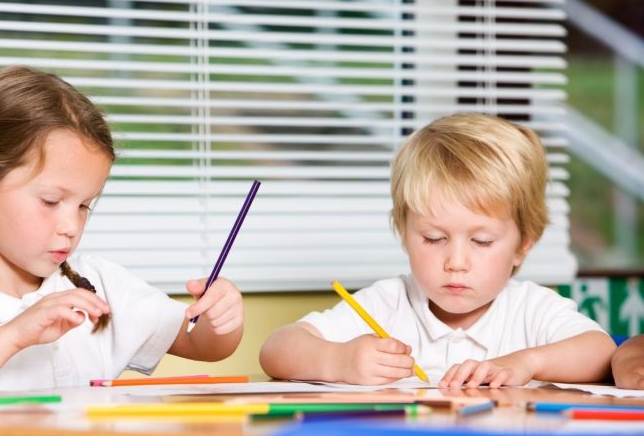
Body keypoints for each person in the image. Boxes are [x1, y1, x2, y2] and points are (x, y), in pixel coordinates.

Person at [0, 66, 244, 395]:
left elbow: (201, 346)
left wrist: (220, 318)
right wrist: (14, 335)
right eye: (51, 201)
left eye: (84, 205)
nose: (71, 226)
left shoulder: (100, 285)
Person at [260, 113, 615, 388]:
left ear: (523, 245)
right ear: (404, 233)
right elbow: (276, 349)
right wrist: (337, 360)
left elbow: (601, 353)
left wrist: (527, 362)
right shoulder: (388, 303)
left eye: (481, 242)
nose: (456, 263)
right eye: (433, 238)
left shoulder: (530, 309)